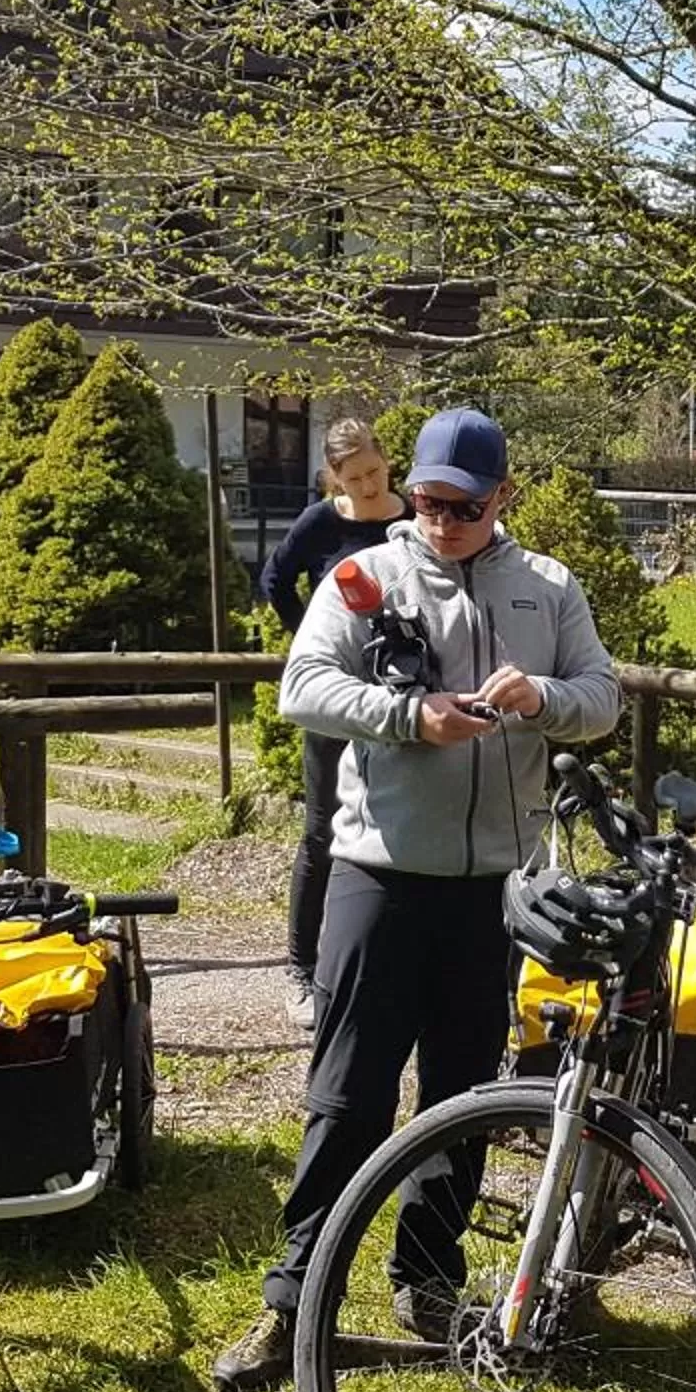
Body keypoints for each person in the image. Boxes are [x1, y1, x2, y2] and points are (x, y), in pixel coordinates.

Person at [212, 407, 620, 1392]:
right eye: (428, 501)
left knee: (463, 1099)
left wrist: (543, 701)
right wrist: (409, 716)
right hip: (379, 877)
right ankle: (293, 1299)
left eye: (463, 507)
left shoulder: (548, 587)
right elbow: (303, 689)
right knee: (347, 1097)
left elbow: (603, 700)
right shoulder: (369, 576)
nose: (441, 521)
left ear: (502, 497)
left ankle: (429, 1283)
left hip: (495, 890)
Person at [256, 416, 408, 1032]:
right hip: (337, 697)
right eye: (354, 479)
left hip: (402, 696)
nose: (369, 487)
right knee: (322, 833)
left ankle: (388, 961)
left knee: (398, 828)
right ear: (334, 478)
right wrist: (310, 644)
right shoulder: (321, 522)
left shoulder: (413, 518)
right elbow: (275, 580)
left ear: (387, 460)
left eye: (374, 472)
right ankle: (301, 969)